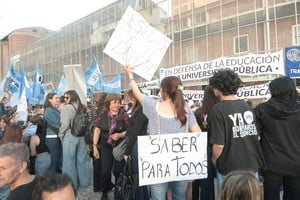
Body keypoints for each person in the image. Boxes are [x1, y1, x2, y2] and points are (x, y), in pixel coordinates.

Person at [125, 65, 201, 200]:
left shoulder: (153, 107)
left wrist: (130, 75)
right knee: (179, 196)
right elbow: (198, 133)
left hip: (157, 165)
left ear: (164, 90)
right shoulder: (186, 110)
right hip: (180, 164)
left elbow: (137, 93)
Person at [208, 69, 265, 196]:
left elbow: (219, 144)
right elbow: (257, 136)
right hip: (251, 165)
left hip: (229, 169)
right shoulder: (247, 106)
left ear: (218, 87)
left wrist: (214, 159)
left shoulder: (218, 109)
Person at [254, 76, 300, 200]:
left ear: (273, 90)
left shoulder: (261, 109)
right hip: (296, 162)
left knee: (271, 196)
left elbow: (256, 137)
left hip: (271, 163)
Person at [93, 93, 129, 200]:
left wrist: (121, 134)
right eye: (114, 103)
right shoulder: (102, 115)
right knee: (105, 170)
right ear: (108, 104)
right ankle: (104, 191)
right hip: (105, 146)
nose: (117, 105)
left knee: (118, 170)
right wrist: (95, 146)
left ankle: (118, 192)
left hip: (119, 147)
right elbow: (97, 130)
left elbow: (130, 130)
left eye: (118, 102)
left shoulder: (124, 114)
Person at [59, 90, 91, 189]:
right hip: (81, 136)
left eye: (66, 97)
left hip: (70, 136)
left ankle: (71, 184)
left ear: (72, 97)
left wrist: (61, 135)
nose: (65, 99)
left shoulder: (67, 108)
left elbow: (64, 124)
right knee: (82, 160)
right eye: (64, 97)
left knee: (69, 161)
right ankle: (85, 182)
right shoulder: (83, 107)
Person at [193, 85, 219, 200]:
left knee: (204, 182)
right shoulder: (219, 111)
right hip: (216, 147)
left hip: (201, 149)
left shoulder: (198, 112)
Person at [124, 89, 149, 199]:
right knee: (136, 174)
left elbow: (135, 132)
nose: (130, 100)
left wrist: (127, 151)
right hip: (134, 143)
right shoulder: (138, 109)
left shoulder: (142, 110)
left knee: (137, 173)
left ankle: (140, 197)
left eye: (132, 98)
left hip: (136, 144)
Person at [91, 92, 107, 193]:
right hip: (101, 141)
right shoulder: (105, 112)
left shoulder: (94, 111)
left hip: (92, 140)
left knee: (96, 164)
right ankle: (103, 185)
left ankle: (96, 186)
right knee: (103, 166)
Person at [43, 92, 62, 173]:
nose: (58, 99)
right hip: (52, 137)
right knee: (54, 161)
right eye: (56, 98)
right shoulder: (48, 110)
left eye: (58, 97)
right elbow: (58, 123)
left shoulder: (55, 109)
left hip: (57, 136)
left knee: (58, 160)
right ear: (50, 100)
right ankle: (51, 181)